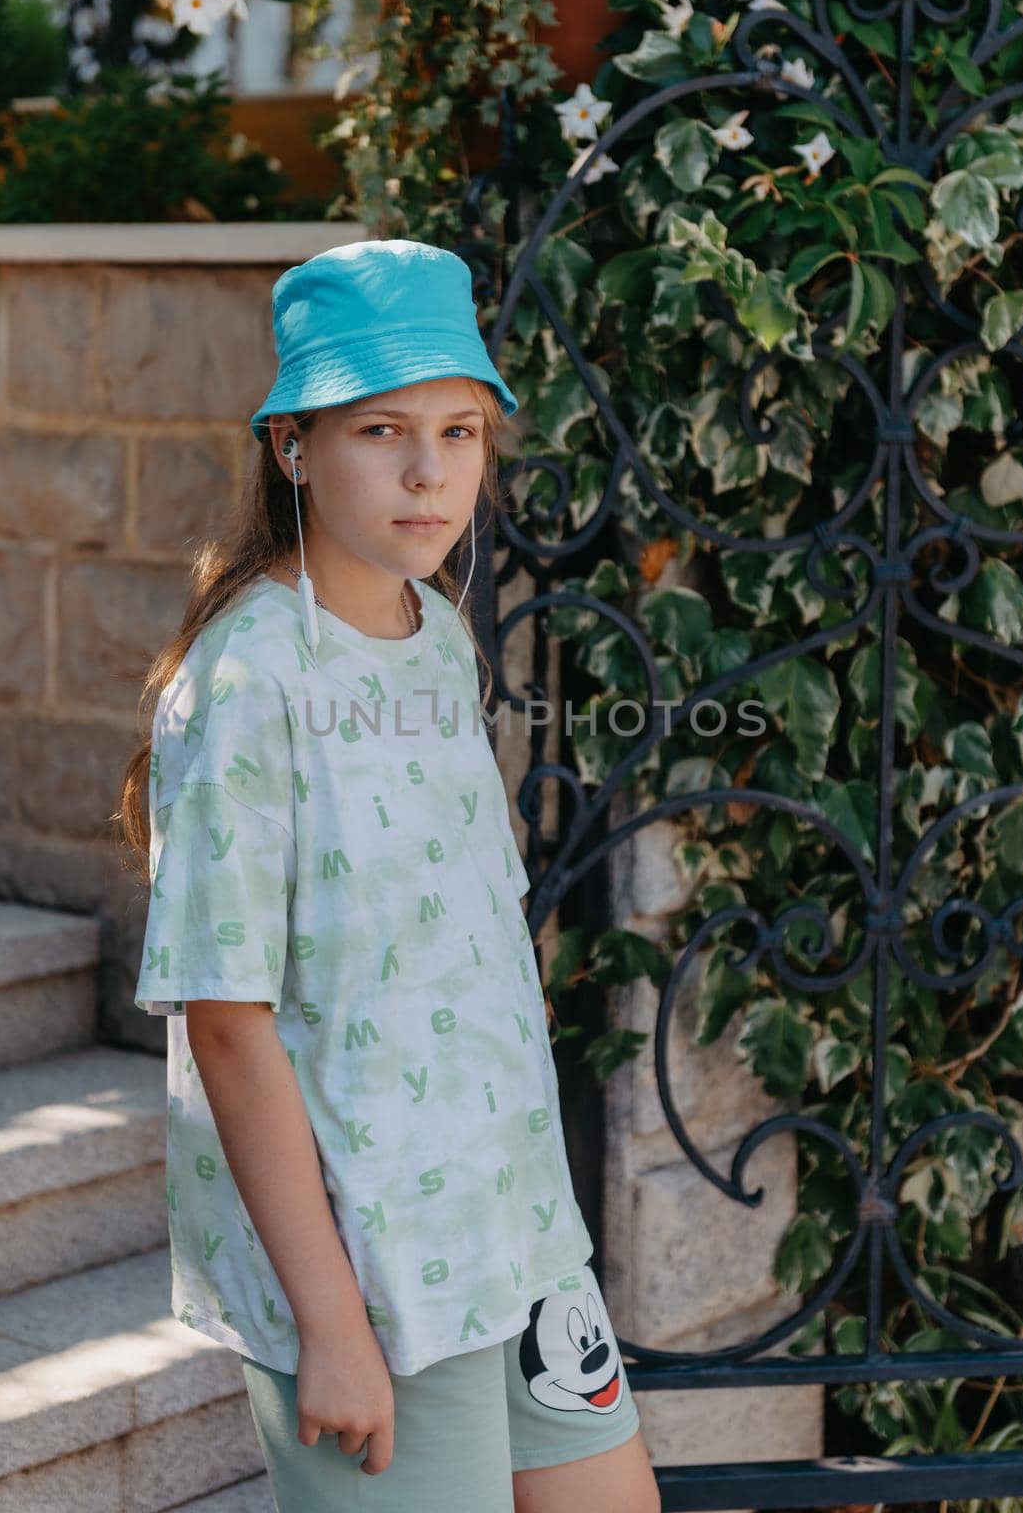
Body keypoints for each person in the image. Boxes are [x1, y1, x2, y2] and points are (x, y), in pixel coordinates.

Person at [116, 239, 661, 1513]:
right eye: (382, 429)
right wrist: (331, 1324)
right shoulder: (249, 683)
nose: (431, 472)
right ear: (296, 445)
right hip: (371, 1271)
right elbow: (229, 1024)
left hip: (516, 1238)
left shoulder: (432, 633)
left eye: (460, 430)